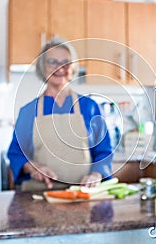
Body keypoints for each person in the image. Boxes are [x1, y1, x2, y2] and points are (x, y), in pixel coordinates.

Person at [7, 38, 113, 191]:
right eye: (52, 61)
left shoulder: (89, 107)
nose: (60, 68)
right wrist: (33, 167)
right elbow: (16, 153)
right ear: (42, 67)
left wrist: (96, 174)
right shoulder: (29, 111)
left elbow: (104, 151)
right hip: (41, 196)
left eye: (66, 62)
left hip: (82, 195)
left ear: (73, 67)